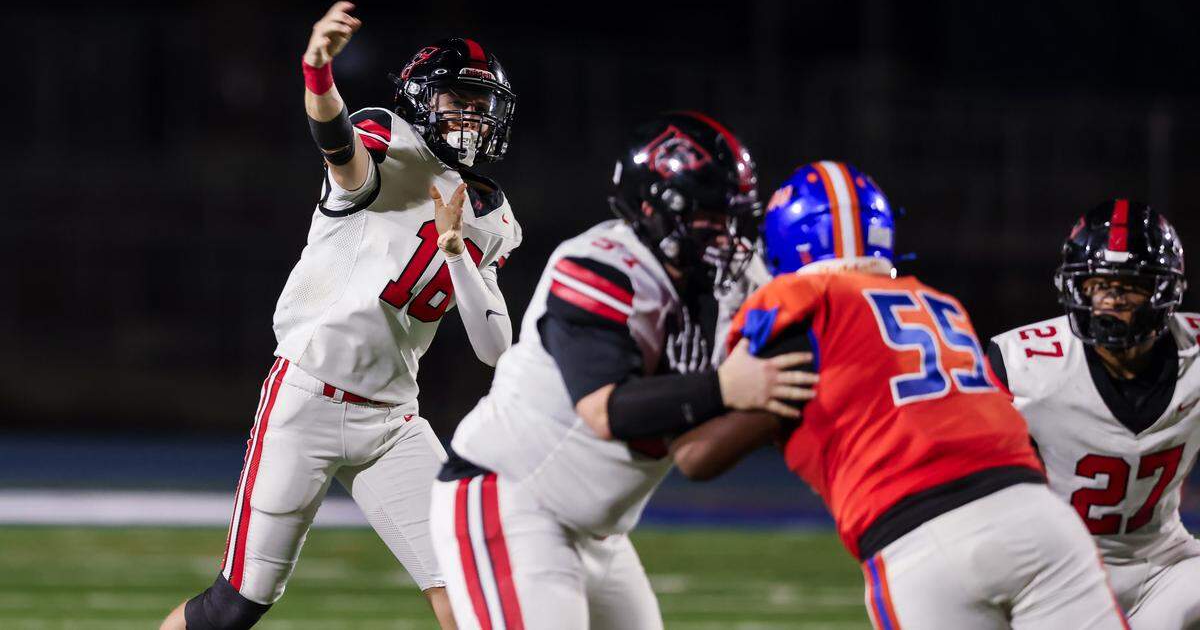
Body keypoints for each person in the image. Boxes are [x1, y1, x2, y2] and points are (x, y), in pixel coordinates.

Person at [161, 1, 522, 630]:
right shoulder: (388, 144)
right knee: (235, 606)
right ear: (421, 100)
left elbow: (495, 348)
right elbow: (339, 147)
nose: (471, 116)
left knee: (469, 593)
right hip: (308, 400)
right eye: (457, 100)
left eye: (480, 104)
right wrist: (317, 73)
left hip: (394, 422)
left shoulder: (488, 210)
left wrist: (456, 249)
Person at [671, 162, 1130, 629]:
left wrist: (712, 378)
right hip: (1038, 516)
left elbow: (697, 456)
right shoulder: (939, 305)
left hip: (922, 540)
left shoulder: (807, 305)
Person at [427, 112, 815, 630]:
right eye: (707, 217)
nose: (726, 235)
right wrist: (726, 387)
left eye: (732, 218)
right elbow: (605, 410)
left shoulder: (734, 280)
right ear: (652, 210)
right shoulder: (599, 266)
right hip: (510, 498)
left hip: (599, 529)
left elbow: (695, 453)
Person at [987, 199, 1200, 629]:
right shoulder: (1023, 365)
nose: (1107, 300)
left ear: (1164, 292)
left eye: (1127, 285)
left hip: (1165, 563)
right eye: (1097, 284)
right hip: (1057, 572)